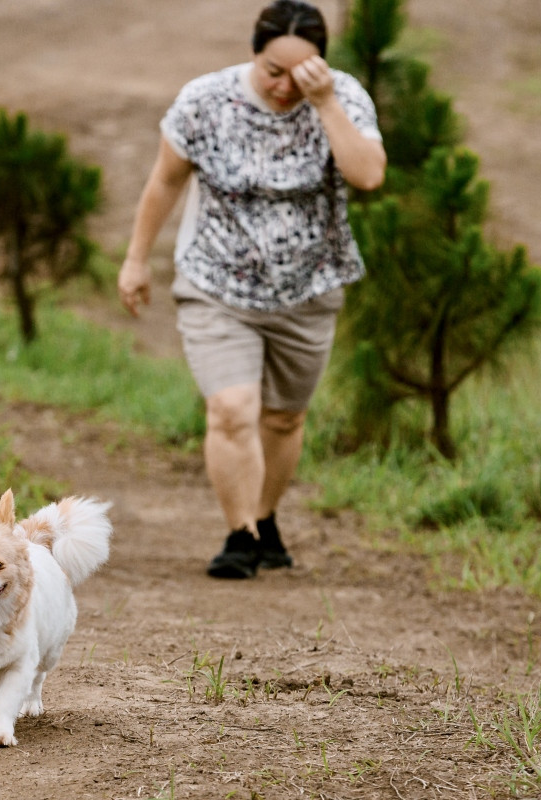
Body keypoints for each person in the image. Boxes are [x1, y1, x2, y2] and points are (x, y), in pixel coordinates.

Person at [118, 0, 385, 579]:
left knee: (285, 418)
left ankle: (264, 518)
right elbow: (165, 181)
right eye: (273, 70)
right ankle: (239, 535)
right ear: (254, 54)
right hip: (216, 284)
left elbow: (368, 174)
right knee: (232, 409)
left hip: (308, 289)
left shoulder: (342, 98)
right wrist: (136, 259)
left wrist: (326, 102)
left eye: (302, 72)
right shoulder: (205, 101)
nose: (285, 85)